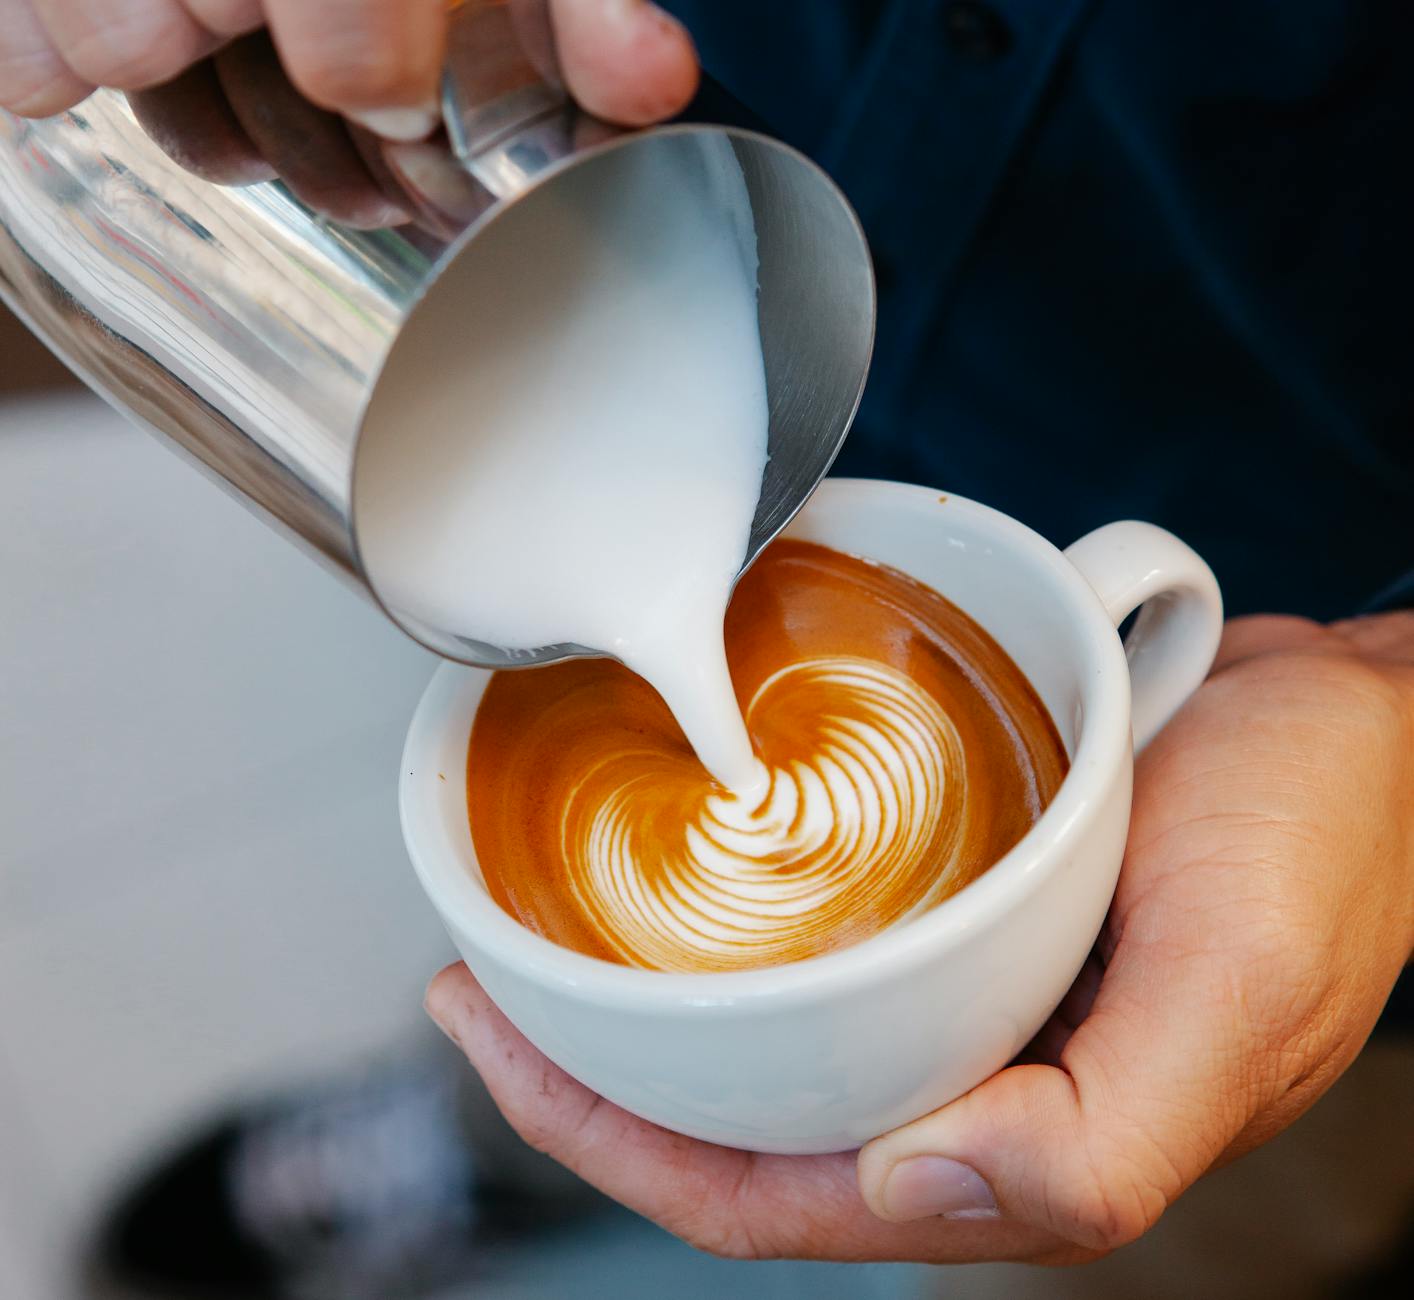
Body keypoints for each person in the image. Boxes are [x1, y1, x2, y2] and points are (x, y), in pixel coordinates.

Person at [4, 0, 1411, 1273]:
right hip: (681, 266)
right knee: (572, 1006)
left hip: (1297, 666)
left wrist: (1388, 685)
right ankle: (509, 1133)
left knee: (1170, 1179)